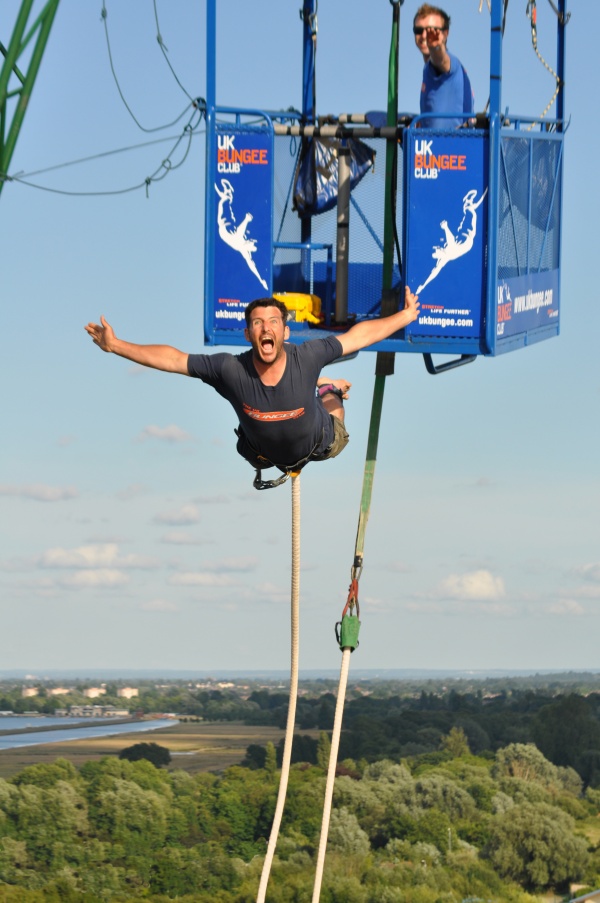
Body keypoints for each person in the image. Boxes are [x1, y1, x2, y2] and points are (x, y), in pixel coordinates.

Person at [84, 288, 420, 488]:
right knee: (253, 444)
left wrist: (404, 318)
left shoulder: (308, 354)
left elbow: (357, 337)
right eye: (257, 323)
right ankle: (321, 387)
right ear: (248, 335)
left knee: (333, 405)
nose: (265, 328)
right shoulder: (230, 369)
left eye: (273, 322)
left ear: (285, 333)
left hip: (317, 443)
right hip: (261, 452)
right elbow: (173, 359)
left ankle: (326, 388)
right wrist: (117, 346)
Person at [413, 4, 474, 130]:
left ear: (445, 34)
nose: (425, 36)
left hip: (453, 146)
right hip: (437, 145)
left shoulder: (451, 65)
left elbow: (441, 60)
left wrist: (435, 47)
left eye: (432, 31)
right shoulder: (428, 69)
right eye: (419, 30)